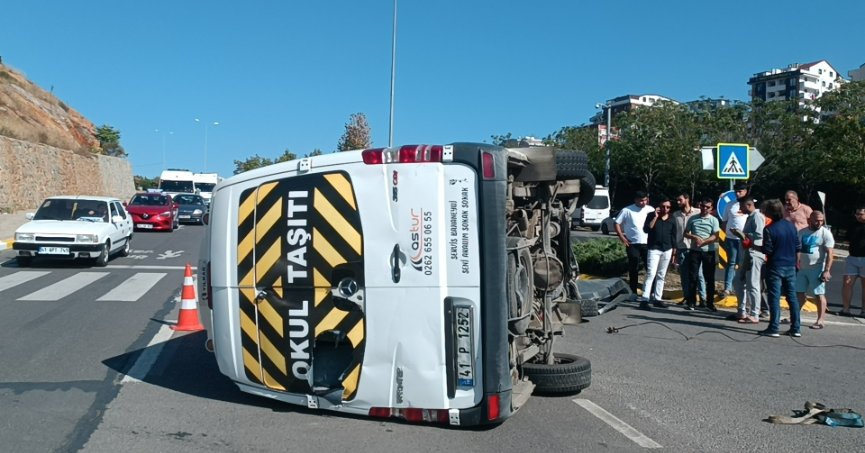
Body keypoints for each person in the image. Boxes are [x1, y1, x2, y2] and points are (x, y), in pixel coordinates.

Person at [760, 199, 802, 338]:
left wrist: (754, 246)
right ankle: (796, 328)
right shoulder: (791, 226)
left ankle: (774, 327)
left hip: (775, 266)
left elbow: (768, 250)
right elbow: (797, 246)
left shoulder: (769, 229)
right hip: (790, 265)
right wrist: (796, 262)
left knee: (774, 297)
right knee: (792, 297)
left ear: (770, 212)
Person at [796, 210, 834, 329]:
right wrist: (795, 264)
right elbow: (797, 249)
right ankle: (794, 316)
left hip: (817, 268)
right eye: (816, 220)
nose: (819, 223)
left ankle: (820, 320)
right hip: (802, 269)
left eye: (821, 220)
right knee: (799, 293)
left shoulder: (825, 233)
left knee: (819, 294)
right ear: (809, 220)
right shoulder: (802, 232)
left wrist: (826, 270)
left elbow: (830, 254)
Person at [730, 198, 766, 323]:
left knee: (753, 284)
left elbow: (760, 236)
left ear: (749, 205)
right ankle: (742, 311)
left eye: (742, 206)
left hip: (755, 253)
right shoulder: (750, 217)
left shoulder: (757, 216)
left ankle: (755, 314)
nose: (740, 209)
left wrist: (743, 235)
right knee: (738, 281)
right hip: (747, 253)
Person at [682, 198, 721, 311]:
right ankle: (691, 302)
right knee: (693, 277)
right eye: (703, 206)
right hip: (695, 251)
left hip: (708, 251)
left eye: (707, 207)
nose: (704, 209)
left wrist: (704, 242)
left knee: (709, 278)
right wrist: (694, 237)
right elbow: (686, 233)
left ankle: (709, 303)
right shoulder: (693, 218)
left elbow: (715, 235)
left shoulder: (713, 220)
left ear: (711, 208)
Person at [639, 198, 677, 310]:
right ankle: (645, 299)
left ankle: (658, 298)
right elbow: (647, 229)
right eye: (663, 206)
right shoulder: (651, 215)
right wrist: (655, 217)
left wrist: (674, 251)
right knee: (651, 274)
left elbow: (673, 235)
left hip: (667, 249)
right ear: (659, 206)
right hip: (654, 248)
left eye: (668, 207)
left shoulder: (672, 218)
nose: (665, 209)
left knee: (661, 274)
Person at [615, 191, 654, 297]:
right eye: (641, 200)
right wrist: (622, 237)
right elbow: (617, 223)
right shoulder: (627, 210)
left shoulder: (650, 209)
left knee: (650, 268)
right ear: (635, 200)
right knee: (633, 268)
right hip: (633, 243)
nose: (643, 202)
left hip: (647, 243)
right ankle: (633, 291)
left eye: (645, 200)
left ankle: (651, 291)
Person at [673, 193, 706, 305]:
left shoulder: (697, 212)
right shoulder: (676, 215)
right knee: (684, 275)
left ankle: (703, 298)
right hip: (681, 247)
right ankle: (687, 297)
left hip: (695, 247)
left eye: (680, 200)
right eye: (677, 200)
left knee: (699, 274)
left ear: (687, 199)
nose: (678, 202)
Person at [720, 183, 750, 297]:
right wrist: (727, 233)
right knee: (731, 263)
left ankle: (741, 287)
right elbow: (724, 222)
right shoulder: (730, 204)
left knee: (743, 264)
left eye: (740, 191)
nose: (738, 193)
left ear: (745, 191)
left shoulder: (750, 204)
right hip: (731, 238)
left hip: (745, 239)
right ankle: (728, 288)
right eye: (736, 191)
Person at [839, 207, 865, 317]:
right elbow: (847, 239)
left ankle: (863, 311)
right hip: (852, 257)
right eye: (857, 214)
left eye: (861, 214)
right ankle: (846, 309)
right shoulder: (853, 225)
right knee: (847, 283)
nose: (858, 216)